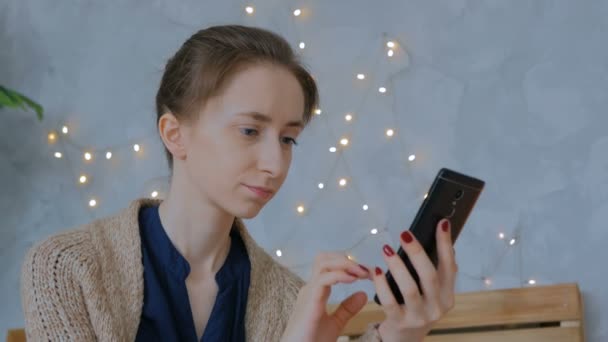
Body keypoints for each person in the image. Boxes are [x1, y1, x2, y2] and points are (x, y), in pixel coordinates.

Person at [20, 24, 458, 341]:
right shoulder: (67, 269)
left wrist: (404, 330)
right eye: (250, 130)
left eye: (288, 139)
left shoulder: (290, 299)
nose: (275, 163)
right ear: (175, 133)